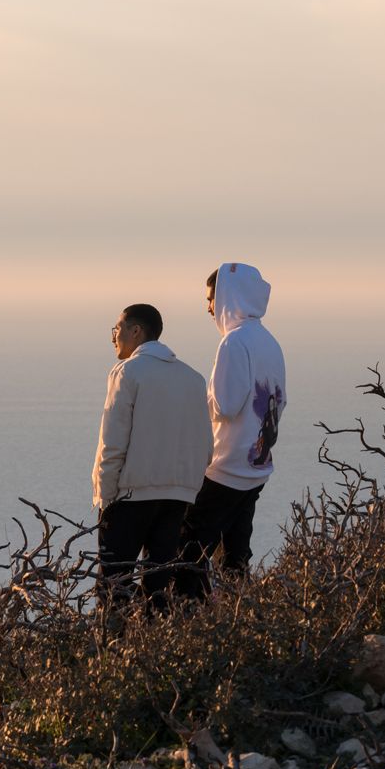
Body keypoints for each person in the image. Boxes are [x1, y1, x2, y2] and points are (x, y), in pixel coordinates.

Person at [176, 262, 287, 599]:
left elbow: (224, 406)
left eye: (212, 297)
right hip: (256, 465)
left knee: (187, 550)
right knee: (236, 551)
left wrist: (193, 403)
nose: (209, 307)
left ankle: (189, 618)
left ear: (229, 296)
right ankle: (237, 612)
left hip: (226, 466)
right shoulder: (269, 341)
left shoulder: (233, 343)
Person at [93, 303, 213, 612]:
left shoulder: (127, 372)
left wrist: (105, 498)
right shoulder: (193, 378)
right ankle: (156, 648)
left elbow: (113, 442)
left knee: (113, 585)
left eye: (116, 329)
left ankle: (114, 653)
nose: (113, 337)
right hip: (177, 498)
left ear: (136, 331)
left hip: (131, 497)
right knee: (158, 586)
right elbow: (205, 446)